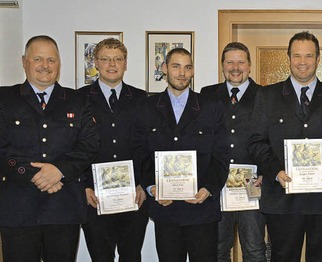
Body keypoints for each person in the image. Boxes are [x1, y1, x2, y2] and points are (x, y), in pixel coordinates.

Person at [248, 31, 322, 262]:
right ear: (288, 58)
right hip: (282, 198)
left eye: (309, 56)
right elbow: (257, 141)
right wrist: (275, 172)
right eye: (297, 56)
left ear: (318, 59)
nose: (302, 62)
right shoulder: (267, 95)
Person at [0, 35, 99, 261]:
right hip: (18, 210)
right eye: (38, 59)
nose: (45, 65)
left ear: (59, 64)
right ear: (24, 62)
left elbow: (90, 144)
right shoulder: (4, 99)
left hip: (63, 209)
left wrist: (59, 171)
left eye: (51, 60)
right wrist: (37, 175)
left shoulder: (78, 100)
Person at [133, 48, 230, 262]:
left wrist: (208, 189)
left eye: (187, 67)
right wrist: (151, 187)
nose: (182, 73)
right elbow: (140, 153)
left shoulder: (211, 107)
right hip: (165, 208)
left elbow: (222, 154)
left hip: (201, 208)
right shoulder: (146, 108)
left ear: (193, 71)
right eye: (176, 66)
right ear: (165, 69)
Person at [78, 38, 149, 262]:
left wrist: (144, 183)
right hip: (95, 197)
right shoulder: (79, 99)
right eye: (105, 59)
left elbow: (147, 145)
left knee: (131, 256)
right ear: (95, 63)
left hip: (133, 195)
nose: (112, 64)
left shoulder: (141, 98)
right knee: (101, 257)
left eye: (118, 59)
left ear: (125, 64)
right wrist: (84, 186)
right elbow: (73, 145)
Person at [200, 42, 267, 262]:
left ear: (249, 65)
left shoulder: (265, 96)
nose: (235, 67)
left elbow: (274, 139)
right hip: (217, 184)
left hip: (252, 183)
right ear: (222, 66)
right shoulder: (207, 95)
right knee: (217, 249)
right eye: (230, 62)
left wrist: (267, 171)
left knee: (255, 248)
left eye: (240, 62)